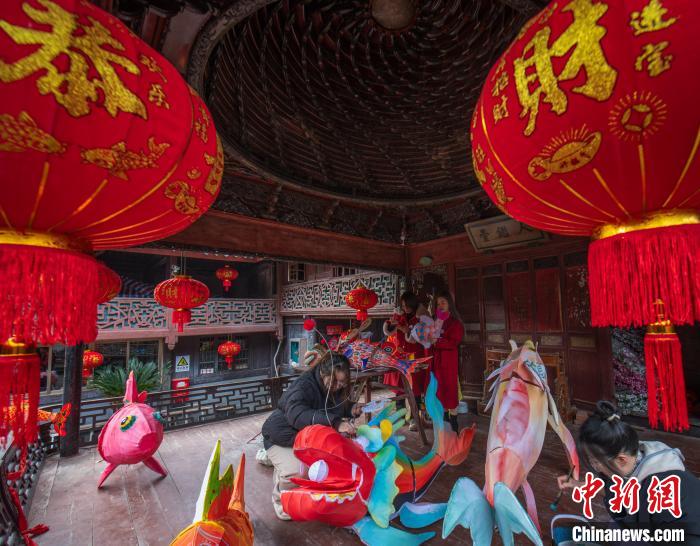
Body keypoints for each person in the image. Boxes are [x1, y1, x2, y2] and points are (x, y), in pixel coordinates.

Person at [557, 401, 700, 544]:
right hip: (651, 527)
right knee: (615, 531)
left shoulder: (662, 492)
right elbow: (613, 489)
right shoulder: (629, 456)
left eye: (595, 462)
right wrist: (577, 484)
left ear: (621, 459)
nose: (595, 467)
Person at [261, 352, 361, 520]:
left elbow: (334, 407)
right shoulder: (304, 386)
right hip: (282, 436)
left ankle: (279, 464)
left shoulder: (331, 387)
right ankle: (281, 501)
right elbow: (297, 414)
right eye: (335, 381)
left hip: (307, 438)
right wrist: (336, 423)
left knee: (328, 464)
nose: (338, 386)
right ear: (323, 372)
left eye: (342, 382)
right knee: (299, 472)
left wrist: (351, 408)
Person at [383, 291, 429, 429]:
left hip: (415, 354)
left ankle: (416, 417)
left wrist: (406, 330)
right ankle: (400, 415)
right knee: (400, 386)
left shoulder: (422, 317)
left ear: (413, 304)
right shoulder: (400, 314)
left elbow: (420, 337)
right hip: (400, 354)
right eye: (403, 305)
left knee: (415, 387)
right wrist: (392, 324)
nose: (405, 308)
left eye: (407, 305)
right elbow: (389, 329)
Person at [429, 290, 464, 432]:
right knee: (439, 390)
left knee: (450, 390)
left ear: (450, 304)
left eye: (443, 302)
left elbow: (453, 342)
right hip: (436, 362)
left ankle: (454, 422)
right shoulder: (434, 322)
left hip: (449, 363)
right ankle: (444, 420)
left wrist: (437, 342)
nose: (440, 306)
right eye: (438, 304)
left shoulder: (455, 323)